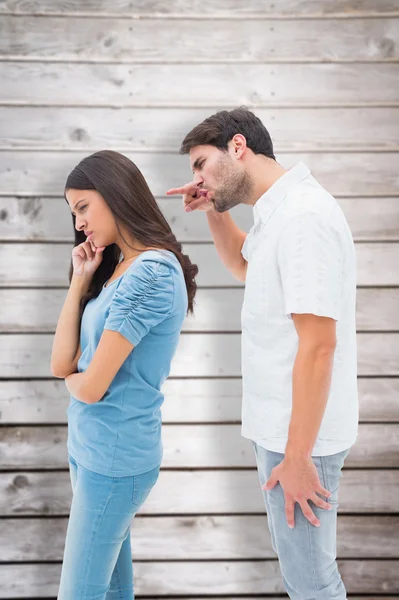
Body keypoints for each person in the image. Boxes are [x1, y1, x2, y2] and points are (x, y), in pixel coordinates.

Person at [167, 107, 358, 599]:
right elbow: (241, 266)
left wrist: (297, 459)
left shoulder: (304, 218)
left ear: (237, 147)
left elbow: (319, 348)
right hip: (281, 431)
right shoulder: (277, 212)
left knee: (312, 583)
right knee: (303, 577)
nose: (197, 177)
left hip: (301, 443)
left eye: (201, 164)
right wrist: (213, 207)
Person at [51, 149, 198, 599]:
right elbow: (61, 364)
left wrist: (76, 382)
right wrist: (80, 279)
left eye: (83, 207)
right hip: (92, 451)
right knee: (112, 592)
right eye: (73, 211)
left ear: (115, 193)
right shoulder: (120, 268)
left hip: (114, 460)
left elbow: (89, 386)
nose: (79, 223)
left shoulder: (151, 272)